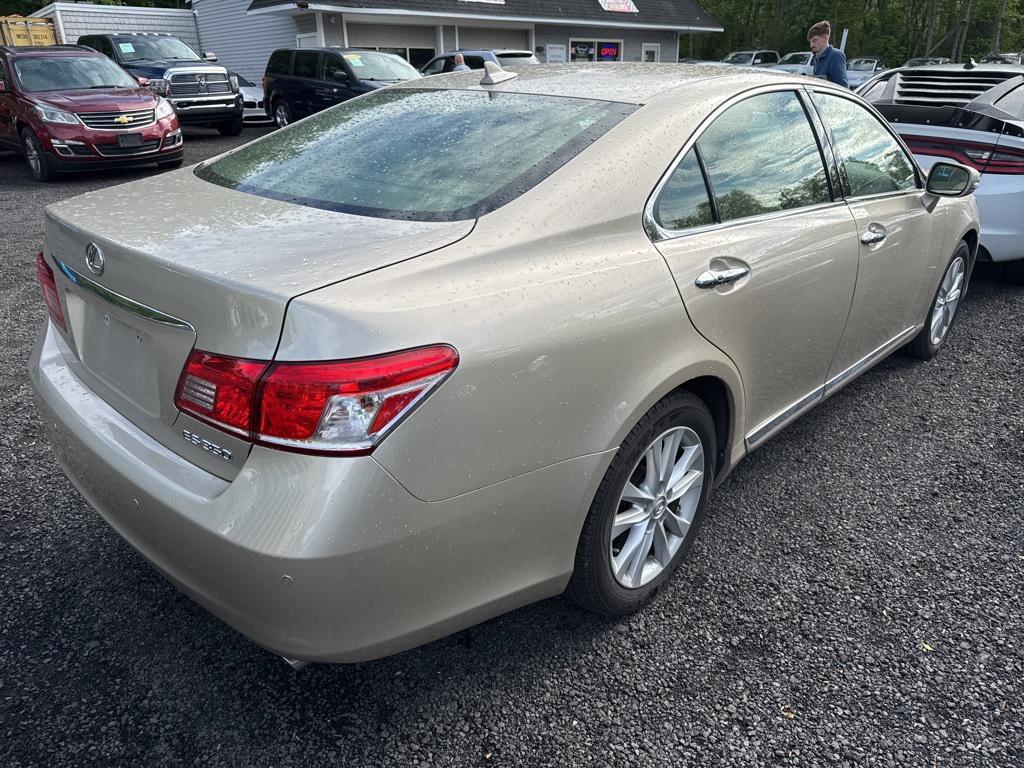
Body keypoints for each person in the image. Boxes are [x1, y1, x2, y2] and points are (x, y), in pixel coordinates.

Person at [808, 20, 849, 88]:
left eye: (814, 40)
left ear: (825, 38)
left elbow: (843, 87)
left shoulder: (836, 56)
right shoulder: (817, 58)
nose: (811, 45)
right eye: (810, 42)